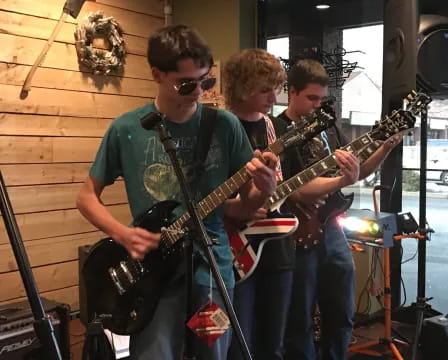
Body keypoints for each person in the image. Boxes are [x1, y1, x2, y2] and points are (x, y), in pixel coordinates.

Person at [76, 25, 279, 360]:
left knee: (213, 354)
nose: (199, 90)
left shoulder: (225, 126)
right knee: (157, 354)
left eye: (207, 81)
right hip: (153, 274)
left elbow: (247, 204)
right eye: (188, 83)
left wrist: (263, 189)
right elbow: (86, 197)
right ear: (157, 74)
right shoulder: (128, 129)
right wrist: (124, 235)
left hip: (212, 272)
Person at [279, 59, 402, 360]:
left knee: (342, 313)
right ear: (291, 92)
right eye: (311, 98)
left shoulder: (328, 127)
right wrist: (338, 182)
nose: (317, 105)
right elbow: (289, 190)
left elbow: (355, 173)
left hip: (332, 227)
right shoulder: (277, 131)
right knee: (300, 317)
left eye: (321, 99)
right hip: (297, 231)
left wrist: (384, 148)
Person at [222, 48, 296, 360]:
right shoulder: (218, 126)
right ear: (241, 86)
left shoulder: (272, 127)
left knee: (273, 344)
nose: (273, 97)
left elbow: (283, 184)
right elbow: (199, 195)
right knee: (239, 345)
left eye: (276, 88)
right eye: (264, 89)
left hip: (276, 246)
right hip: (232, 247)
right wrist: (236, 206)